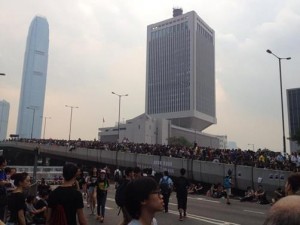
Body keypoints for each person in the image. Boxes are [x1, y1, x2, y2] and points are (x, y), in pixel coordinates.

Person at [0, 156, 9, 221]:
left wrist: (5, 182)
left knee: (2, 212)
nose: (6, 162)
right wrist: (5, 182)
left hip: (3, 194)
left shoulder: (3, 170)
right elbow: (1, 183)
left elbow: (6, 181)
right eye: (6, 161)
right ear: (2, 162)